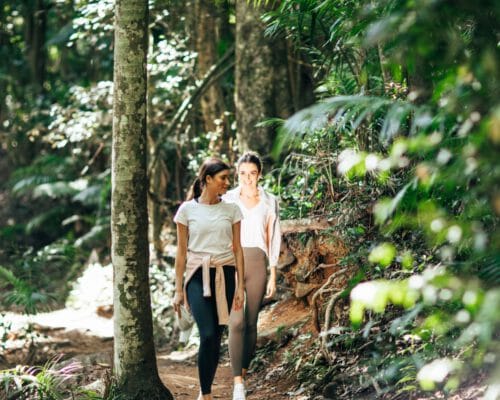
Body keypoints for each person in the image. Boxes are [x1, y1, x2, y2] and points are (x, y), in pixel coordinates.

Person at [172, 157, 245, 400]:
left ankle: (206, 391)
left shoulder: (232, 209)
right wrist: (178, 290)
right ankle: (205, 394)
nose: (227, 182)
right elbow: (181, 253)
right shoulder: (187, 210)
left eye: (228, 178)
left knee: (217, 337)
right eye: (223, 178)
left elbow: (238, 249)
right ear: (208, 179)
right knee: (208, 334)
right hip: (196, 275)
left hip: (225, 274)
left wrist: (240, 286)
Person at [223, 151, 281, 398]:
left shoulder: (270, 201)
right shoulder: (227, 199)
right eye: (243, 173)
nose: (248, 178)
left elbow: (273, 236)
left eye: (253, 173)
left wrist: (273, 273)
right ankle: (238, 385)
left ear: (259, 174)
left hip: (258, 262)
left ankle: (243, 373)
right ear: (237, 174)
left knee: (250, 323)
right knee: (235, 322)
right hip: (232, 263)